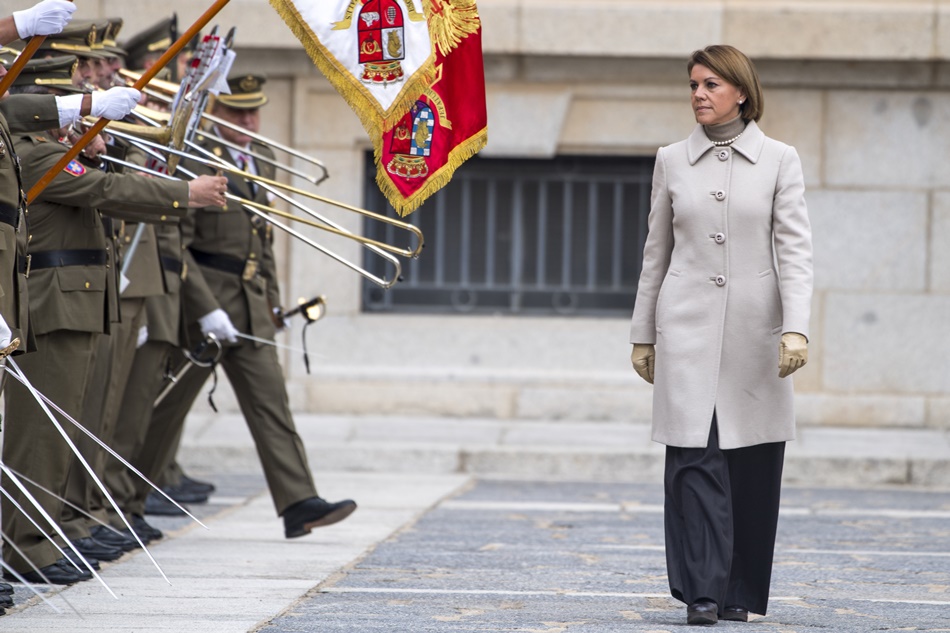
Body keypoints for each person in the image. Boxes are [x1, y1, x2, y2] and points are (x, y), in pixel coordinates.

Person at [0, 55, 228, 586]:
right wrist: (184, 195)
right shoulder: (35, 154)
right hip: (51, 303)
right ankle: (26, 542)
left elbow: (104, 184)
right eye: (69, 103)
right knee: (40, 435)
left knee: (67, 432)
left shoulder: (56, 150)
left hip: (73, 302)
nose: (78, 115)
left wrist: (102, 144)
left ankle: (49, 531)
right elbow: (106, 192)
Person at [628, 44, 812, 626]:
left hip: (756, 333)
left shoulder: (781, 160)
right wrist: (643, 334)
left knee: (752, 461)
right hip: (683, 327)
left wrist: (796, 329)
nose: (699, 95)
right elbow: (656, 253)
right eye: (693, 85)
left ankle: (738, 592)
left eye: (711, 85)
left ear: (741, 92)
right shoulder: (670, 160)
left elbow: (796, 253)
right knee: (694, 458)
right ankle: (701, 590)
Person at [131, 74, 358, 541]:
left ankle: (298, 502)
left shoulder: (262, 157)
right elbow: (178, 246)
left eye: (254, 111)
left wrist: (272, 301)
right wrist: (207, 308)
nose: (249, 121)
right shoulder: (195, 155)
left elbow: (263, 239)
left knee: (271, 402)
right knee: (165, 409)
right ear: (216, 111)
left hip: (251, 304)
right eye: (238, 113)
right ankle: (125, 500)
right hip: (205, 304)